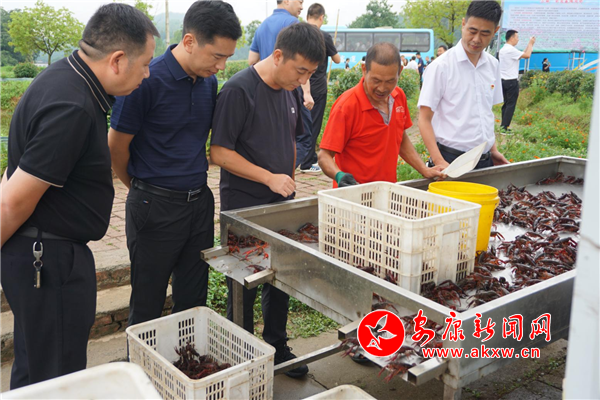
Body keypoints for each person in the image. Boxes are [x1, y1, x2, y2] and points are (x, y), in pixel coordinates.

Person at [0, 4, 157, 389]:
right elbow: (12, 201)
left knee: (36, 368)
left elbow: (13, 171)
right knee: (55, 378)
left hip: (41, 254)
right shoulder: (72, 106)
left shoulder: (61, 78)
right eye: (145, 64)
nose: (147, 74)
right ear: (118, 60)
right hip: (47, 262)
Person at [108, 1, 241, 327]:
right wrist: (141, 189)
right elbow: (116, 147)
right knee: (148, 302)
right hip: (155, 207)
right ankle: (142, 360)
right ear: (190, 41)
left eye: (227, 57)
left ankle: (186, 359)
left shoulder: (208, 82)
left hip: (198, 204)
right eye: (217, 56)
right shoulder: (146, 79)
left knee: (193, 300)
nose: (221, 66)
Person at [210, 23, 324, 379]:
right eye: (300, 71)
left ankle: (277, 346)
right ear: (277, 56)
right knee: (244, 284)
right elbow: (219, 153)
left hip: (280, 203)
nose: (303, 80)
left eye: (310, 74)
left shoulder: (290, 91)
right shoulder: (239, 90)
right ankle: (241, 355)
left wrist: (287, 178)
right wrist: (268, 177)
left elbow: (292, 139)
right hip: (245, 205)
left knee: (281, 277)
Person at [318, 42, 445, 189]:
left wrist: (424, 169)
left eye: (390, 81)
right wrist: (339, 175)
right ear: (364, 70)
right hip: (354, 193)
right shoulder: (346, 106)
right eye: (376, 80)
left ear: (400, 72)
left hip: (387, 191)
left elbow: (400, 138)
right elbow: (324, 156)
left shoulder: (398, 97)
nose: (382, 88)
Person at [418, 0, 509, 170]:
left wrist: (493, 150)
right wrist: (438, 161)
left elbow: (485, 112)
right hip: (451, 159)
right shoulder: (441, 67)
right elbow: (424, 118)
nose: (476, 39)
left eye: (485, 33)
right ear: (463, 24)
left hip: (485, 159)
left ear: (495, 32)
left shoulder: (493, 65)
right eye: (472, 31)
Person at [248, 0, 314, 173]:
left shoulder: (262, 26)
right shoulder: (293, 24)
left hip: (265, 88)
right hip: (291, 89)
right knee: (303, 138)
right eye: (300, 1)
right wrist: (306, 93)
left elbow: (251, 60)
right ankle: (281, 172)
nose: (301, 7)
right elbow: (303, 64)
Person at [298, 3, 341, 173]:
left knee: (299, 124)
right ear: (321, 17)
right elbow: (337, 60)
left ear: (307, 16)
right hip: (317, 88)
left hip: (298, 84)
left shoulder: (299, 33)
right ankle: (307, 163)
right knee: (313, 125)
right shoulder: (324, 36)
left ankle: (304, 156)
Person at [499, 29, 535, 133]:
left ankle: (503, 126)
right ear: (512, 38)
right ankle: (504, 128)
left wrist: (529, 44)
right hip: (511, 81)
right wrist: (531, 44)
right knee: (511, 105)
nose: (518, 40)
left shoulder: (504, 49)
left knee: (506, 104)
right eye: (517, 37)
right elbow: (527, 55)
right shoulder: (510, 50)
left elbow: (523, 54)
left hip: (503, 81)